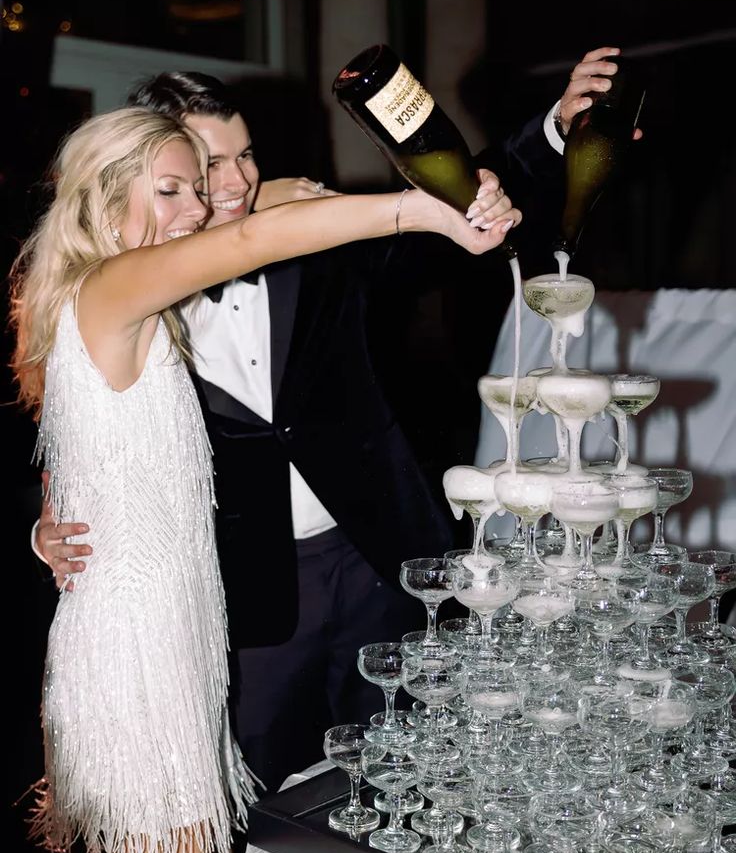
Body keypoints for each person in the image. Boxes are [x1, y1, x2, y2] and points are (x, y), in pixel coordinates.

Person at [11, 105, 517, 853]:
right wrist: (422, 209)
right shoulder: (116, 288)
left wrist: (45, 525)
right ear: (100, 199)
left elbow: (253, 213)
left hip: (162, 640)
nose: (194, 207)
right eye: (168, 189)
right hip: (140, 655)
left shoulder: (98, 290)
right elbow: (244, 245)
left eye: (198, 187)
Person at [33, 49, 620, 794]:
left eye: (246, 156)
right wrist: (46, 525)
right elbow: (77, 431)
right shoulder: (125, 295)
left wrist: (555, 132)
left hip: (378, 560)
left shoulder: (311, 240)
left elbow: (449, 210)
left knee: (409, 779)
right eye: (207, 165)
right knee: (251, 807)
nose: (238, 181)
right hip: (241, 598)